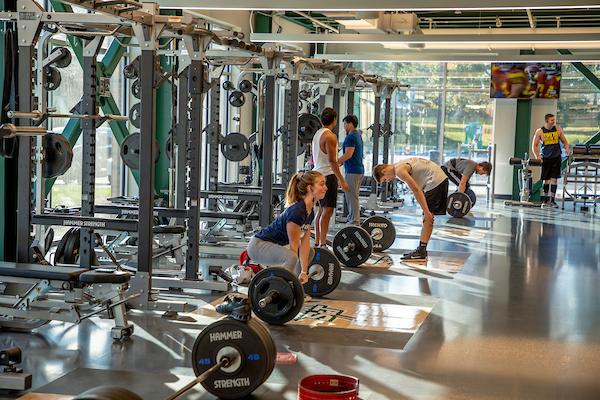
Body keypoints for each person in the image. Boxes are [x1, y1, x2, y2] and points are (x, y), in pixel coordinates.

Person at [247, 171, 327, 284]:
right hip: (258, 246)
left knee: (310, 252)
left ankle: (296, 286)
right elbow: (293, 249)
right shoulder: (297, 212)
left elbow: (305, 244)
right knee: (291, 257)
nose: (326, 188)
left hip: (275, 245)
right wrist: (291, 277)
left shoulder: (309, 210)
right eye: (322, 184)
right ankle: (280, 288)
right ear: (310, 188)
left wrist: (304, 272)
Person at [373, 158, 448, 261]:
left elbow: (416, 191)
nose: (389, 181)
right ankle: (421, 250)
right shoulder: (400, 163)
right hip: (437, 177)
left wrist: (426, 212)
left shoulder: (399, 171)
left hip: (435, 181)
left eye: (385, 179)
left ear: (384, 171)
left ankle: (421, 252)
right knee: (426, 216)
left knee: (428, 217)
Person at [312, 107, 349, 248]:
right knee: (327, 211)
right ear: (334, 120)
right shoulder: (330, 136)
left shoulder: (317, 134)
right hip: (327, 175)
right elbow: (333, 160)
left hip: (317, 175)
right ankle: (322, 244)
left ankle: (318, 241)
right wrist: (341, 179)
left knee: (321, 210)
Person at [531, 113, 571, 207]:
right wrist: (537, 156)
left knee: (554, 180)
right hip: (546, 158)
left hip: (556, 157)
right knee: (546, 180)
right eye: (552, 120)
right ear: (546, 121)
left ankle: (552, 201)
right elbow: (534, 145)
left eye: (554, 120)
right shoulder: (540, 132)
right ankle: (545, 200)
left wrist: (567, 149)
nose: (554, 122)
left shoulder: (558, 130)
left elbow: (564, 141)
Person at [337, 115, 364, 226]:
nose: (344, 126)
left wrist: (335, 162)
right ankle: (353, 218)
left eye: (345, 124)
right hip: (357, 170)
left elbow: (348, 154)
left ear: (351, 124)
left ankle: (354, 221)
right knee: (353, 196)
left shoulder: (351, 137)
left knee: (351, 196)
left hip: (353, 171)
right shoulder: (357, 135)